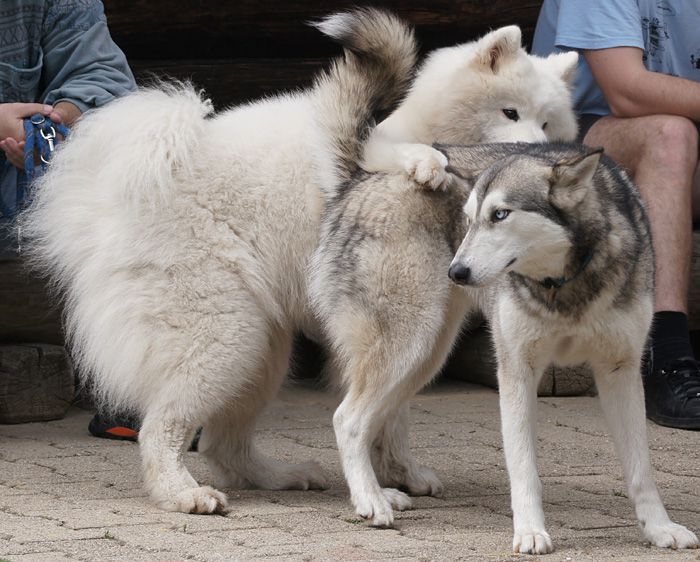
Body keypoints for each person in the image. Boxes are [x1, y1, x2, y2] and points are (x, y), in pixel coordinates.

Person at [532, 1, 700, 429]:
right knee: (670, 135)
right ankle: (666, 358)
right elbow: (626, 91)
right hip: (572, 149)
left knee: (678, 133)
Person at [0, 0, 138, 439]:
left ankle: (136, 390)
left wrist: (58, 122)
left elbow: (107, 79)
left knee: (141, 153)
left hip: (24, 211)